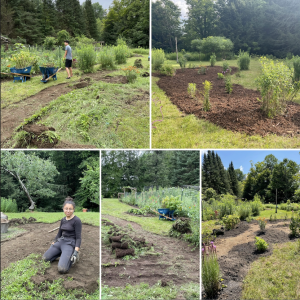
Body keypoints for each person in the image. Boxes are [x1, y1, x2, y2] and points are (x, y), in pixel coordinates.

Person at [42, 197, 82, 274]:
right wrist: (53, 243)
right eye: (66, 208)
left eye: (70, 209)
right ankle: (62, 253)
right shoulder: (63, 220)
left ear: (73, 210)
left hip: (70, 243)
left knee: (62, 269)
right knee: (45, 258)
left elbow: (78, 238)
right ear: (63, 209)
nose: (68, 211)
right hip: (61, 241)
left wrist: (76, 252)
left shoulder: (77, 220)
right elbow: (59, 234)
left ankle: (70, 255)